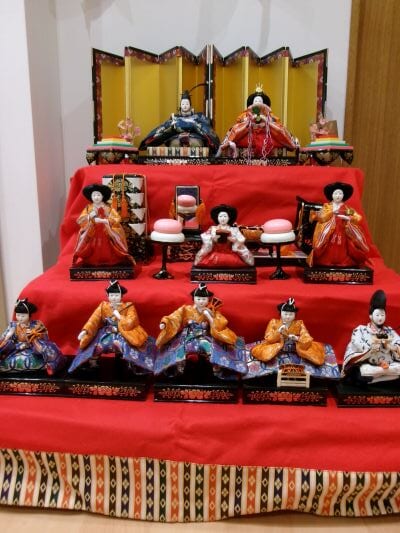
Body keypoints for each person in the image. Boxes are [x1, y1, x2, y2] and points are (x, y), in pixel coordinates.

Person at [154, 283, 247, 379]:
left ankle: (217, 370)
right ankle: (179, 370)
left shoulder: (212, 311)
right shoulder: (186, 309)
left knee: (212, 350)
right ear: (194, 299)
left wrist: (209, 316)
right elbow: (175, 317)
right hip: (188, 336)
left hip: (205, 336)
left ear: (208, 300)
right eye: (198, 299)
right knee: (180, 349)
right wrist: (165, 323)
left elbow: (219, 324)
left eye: (203, 299)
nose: (201, 301)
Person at [68, 280, 154, 374]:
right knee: (96, 346)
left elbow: (133, 321)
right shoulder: (103, 306)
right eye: (112, 295)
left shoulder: (128, 306)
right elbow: (94, 319)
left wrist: (120, 317)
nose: (114, 298)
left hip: (123, 333)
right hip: (107, 333)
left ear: (121, 296)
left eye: (116, 295)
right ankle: (92, 363)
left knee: (127, 346)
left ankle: (132, 364)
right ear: (108, 296)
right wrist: (85, 331)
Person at [246, 298, 339, 380]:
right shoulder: (274, 322)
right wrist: (278, 332)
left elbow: (306, 336)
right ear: (280, 313)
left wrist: (297, 338)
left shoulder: (299, 323)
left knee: (316, 358)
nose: (288, 316)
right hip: (277, 348)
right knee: (266, 356)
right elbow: (268, 338)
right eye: (285, 314)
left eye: (291, 314)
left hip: (296, 349)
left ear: (294, 315)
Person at [216, 87, 298, 158]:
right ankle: (226, 145)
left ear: (263, 103)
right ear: (252, 103)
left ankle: (292, 144)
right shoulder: (246, 113)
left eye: (259, 100)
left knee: (280, 129)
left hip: (266, 133)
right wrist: (249, 121)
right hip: (249, 133)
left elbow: (276, 124)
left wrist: (266, 120)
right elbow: (239, 122)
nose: (257, 101)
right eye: (256, 100)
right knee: (235, 129)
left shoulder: (268, 114)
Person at [342, 290, 400, 385]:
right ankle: (383, 378)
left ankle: (374, 380)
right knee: (363, 371)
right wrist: (371, 349)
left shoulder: (389, 331)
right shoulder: (360, 330)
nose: (380, 318)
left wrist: (391, 347)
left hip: (389, 365)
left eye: (382, 315)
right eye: (377, 315)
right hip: (370, 365)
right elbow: (357, 346)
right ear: (370, 316)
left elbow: (398, 343)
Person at [307, 181, 370, 267]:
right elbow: (321, 216)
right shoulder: (327, 207)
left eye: (340, 193)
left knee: (342, 247)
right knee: (328, 246)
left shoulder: (347, 208)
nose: (338, 196)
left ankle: (342, 261)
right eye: (336, 193)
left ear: (343, 195)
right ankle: (326, 261)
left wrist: (348, 218)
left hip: (342, 229)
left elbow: (357, 217)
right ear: (332, 195)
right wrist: (332, 212)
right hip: (329, 230)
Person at [72, 183, 135, 267]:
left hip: (106, 230)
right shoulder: (88, 208)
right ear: (91, 197)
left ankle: (110, 260)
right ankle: (92, 260)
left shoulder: (108, 208)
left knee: (108, 246)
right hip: (93, 230)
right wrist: (89, 216)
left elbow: (117, 218)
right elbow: (80, 220)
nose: (96, 197)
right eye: (94, 195)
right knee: (93, 245)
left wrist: (105, 220)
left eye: (98, 195)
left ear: (102, 196)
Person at [139, 89, 220, 154]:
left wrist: (194, 125)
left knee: (196, 143)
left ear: (190, 105)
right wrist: (173, 125)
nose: (185, 106)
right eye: (183, 104)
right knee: (174, 144)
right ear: (180, 105)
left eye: (187, 104)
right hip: (176, 138)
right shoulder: (174, 118)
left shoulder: (198, 116)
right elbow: (164, 128)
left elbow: (207, 127)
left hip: (194, 137)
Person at [0, 298, 66, 375]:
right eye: (18, 315)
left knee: (47, 351)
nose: (20, 318)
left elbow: (44, 337)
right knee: (7, 359)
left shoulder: (36, 325)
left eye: (23, 316)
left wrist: (34, 335)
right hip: (16, 347)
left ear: (29, 315)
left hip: (32, 348)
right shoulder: (13, 325)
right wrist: (8, 336)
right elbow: (3, 338)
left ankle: (51, 365)